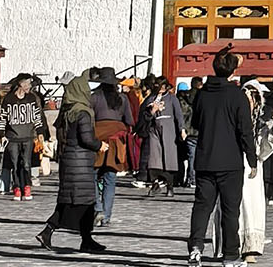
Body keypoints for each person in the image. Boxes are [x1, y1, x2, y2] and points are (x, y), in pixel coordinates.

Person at [185, 48, 255, 267]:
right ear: (233, 71)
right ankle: (231, 255)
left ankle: (195, 248)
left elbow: (195, 123)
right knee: (230, 210)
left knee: (202, 206)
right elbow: (245, 130)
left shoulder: (202, 94)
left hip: (205, 158)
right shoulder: (237, 96)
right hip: (230, 161)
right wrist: (252, 159)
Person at [37, 74, 106, 254]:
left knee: (71, 201)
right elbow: (86, 138)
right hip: (80, 162)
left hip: (69, 159)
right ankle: (78, 237)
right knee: (83, 202)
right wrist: (100, 145)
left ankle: (84, 238)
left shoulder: (67, 111)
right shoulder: (82, 112)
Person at [239, 81, 273, 263]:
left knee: (252, 205)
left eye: (254, 98)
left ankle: (250, 248)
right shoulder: (232, 118)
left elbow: (265, 148)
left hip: (252, 168)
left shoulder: (260, 123)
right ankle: (232, 246)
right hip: (232, 164)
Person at [89, 68, 133, 226]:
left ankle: (98, 207)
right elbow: (129, 121)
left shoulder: (93, 98)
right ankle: (106, 216)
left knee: (92, 176)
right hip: (115, 142)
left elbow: (88, 120)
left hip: (97, 142)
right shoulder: (122, 99)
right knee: (110, 179)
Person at [0, 75, 45, 200]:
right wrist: (2, 134)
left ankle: (27, 186)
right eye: (28, 84)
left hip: (28, 136)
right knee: (14, 164)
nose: (29, 87)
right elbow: (3, 117)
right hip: (13, 136)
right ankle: (17, 187)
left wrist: (40, 132)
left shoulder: (31, 98)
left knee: (26, 163)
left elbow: (37, 116)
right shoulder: (8, 99)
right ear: (21, 84)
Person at [139, 79, 185, 197]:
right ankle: (154, 183)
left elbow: (178, 114)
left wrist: (182, 129)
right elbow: (144, 114)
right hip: (154, 129)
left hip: (168, 127)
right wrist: (152, 110)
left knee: (168, 157)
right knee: (154, 157)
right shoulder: (151, 98)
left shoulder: (172, 98)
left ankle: (169, 185)